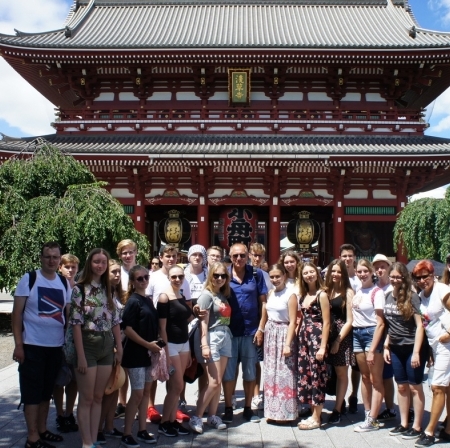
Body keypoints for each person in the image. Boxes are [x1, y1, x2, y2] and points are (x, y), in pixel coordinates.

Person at [13, 242, 70, 448]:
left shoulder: (63, 283)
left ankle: (43, 430)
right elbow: (16, 314)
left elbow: (67, 314)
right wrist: (19, 345)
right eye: (48, 256)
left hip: (55, 346)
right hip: (32, 345)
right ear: (41, 257)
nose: (52, 260)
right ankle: (32, 437)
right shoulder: (29, 279)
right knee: (32, 392)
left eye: (55, 257)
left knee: (47, 391)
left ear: (59, 259)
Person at [70, 248, 122, 448]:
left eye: (103, 262)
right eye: (96, 261)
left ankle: (93, 439)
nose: (100, 265)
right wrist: (81, 356)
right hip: (87, 343)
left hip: (107, 344)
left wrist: (119, 346)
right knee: (87, 397)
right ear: (89, 263)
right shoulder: (79, 289)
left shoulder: (108, 289)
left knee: (99, 396)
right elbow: (75, 324)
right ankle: (86, 442)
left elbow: (115, 320)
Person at [145, 244, 191, 424]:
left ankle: (172, 416)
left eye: (174, 256)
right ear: (161, 257)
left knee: (176, 382)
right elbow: (149, 304)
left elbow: (185, 309)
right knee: (157, 376)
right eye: (167, 256)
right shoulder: (154, 278)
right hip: (163, 335)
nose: (171, 258)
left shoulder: (182, 284)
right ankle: (153, 408)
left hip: (181, 337)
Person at [222, 243, 268, 424]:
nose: (239, 259)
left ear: (248, 255)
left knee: (250, 372)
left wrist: (261, 328)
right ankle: (228, 407)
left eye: (242, 255)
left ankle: (248, 408)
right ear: (230, 256)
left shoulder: (255, 274)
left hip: (251, 331)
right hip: (229, 332)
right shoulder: (223, 274)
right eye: (235, 256)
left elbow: (263, 302)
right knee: (229, 373)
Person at [383, 262, 426, 440]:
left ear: (404, 278)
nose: (394, 280)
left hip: (412, 347)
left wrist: (416, 352)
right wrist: (386, 345)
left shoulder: (412, 297)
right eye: (392, 276)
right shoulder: (387, 296)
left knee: (415, 387)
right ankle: (403, 423)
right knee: (401, 386)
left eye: (398, 277)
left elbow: (420, 326)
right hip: (395, 347)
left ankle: (416, 427)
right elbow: (389, 325)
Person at [189, 262, 233, 433]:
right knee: (213, 382)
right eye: (216, 275)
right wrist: (204, 344)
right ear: (211, 276)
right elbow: (203, 323)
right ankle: (197, 416)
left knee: (218, 382)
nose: (220, 279)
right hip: (211, 338)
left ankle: (212, 416)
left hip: (225, 336)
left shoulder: (222, 294)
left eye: (223, 276)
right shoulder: (206, 295)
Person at [120, 265, 161, 447]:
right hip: (135, 353)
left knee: (145, 393)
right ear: (132, 282)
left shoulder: (148, 300)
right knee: (136, 393)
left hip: (148, 353)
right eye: (140, 278)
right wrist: (148, 345)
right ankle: (127, 432)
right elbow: (127, 329)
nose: (144, 281)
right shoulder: (133, 301)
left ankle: (142, 429)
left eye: (146, 277)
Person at [413, 261, 450, 447]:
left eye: (425, 276)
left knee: (437, 387)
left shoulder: (441, 290)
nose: (422, 280)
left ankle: (429, 431)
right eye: (418, 277)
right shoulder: (421, 296)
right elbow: (427, 325)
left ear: (433, 275)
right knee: (447, 386)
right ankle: (449, 429)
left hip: (447, 344)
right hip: (436, 346)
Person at [157, 265, 193, 437]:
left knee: (177, 386)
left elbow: (186, 319)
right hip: (170, 344)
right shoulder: (164, 297)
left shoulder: (181, 295)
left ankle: (172, 421)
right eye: (174, 277)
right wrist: (164, 351)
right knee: (176, 385)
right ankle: (164, 422)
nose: (178, 279)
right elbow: (162, 327)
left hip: (184, 343)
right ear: (169, 278)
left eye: (180, 276)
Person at [352, 259, 385, 433]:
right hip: (356, 334)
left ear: (371, 272)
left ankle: (373, 418)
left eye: (365, 271)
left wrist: (373, 349)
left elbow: (380, 323)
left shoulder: (377, 292)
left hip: (371, 333)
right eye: (359, 271)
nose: (362, 274)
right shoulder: (358, 290)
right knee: (364, 377)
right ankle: (367, 413)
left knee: (375, 379)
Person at [297, 261, 330, 430]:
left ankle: (317, 417)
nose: (309, 275)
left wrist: (323, 346)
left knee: (317, 375)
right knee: (307, 375)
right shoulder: (303, 295)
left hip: (316, 338)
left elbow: (326, 322)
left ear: (317, 274)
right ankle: (312, 413)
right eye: (305, 273)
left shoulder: (321, 295)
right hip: (304, 338)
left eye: (311, 272)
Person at [263, 264, 298, 423]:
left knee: (285, 373)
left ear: (284, 275)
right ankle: (272, 411)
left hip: (284, 333)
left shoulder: (290, 295)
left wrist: (287, 344)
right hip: (271, 335)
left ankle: (286, 412)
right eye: (272, 277)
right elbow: (266, 314)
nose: (275, 279)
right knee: (271, 373)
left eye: (278, 276)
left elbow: (292, 321)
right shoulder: (270, 293)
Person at [97, 260, 126, 443]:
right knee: (103, 390)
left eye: (118, 272)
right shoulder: (101, 293)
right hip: (107, 344)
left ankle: (109, 425)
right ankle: (97, 428)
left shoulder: (117, 292)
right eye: (113, 272)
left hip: (120, 343)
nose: (117, 275)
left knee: (115, 386)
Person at [324, 259, 354, 424]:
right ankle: (337, 402)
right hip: (327, 333)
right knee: (329, 371)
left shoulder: (348, 292)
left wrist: (337, 340)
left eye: (338, 272)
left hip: (342, 335)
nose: (335, 274)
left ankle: (338, 408)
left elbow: (350, 320)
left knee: (341, 372)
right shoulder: (326, 290)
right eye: (333, 271)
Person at [54, 253, 80, 434]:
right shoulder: (55, 286)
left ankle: (70, 412)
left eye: (73, 267)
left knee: (74, 380)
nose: (70, 270)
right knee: (59, 380)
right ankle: (60, 414)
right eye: (67, 267)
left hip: (75, 339)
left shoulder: (79, 288)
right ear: (60, 267)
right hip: (58, 338)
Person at [372, 254, 397, 423]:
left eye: (383, 267)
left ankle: (392, 408)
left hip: (391, 334)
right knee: (377, 376)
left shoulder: (393, 288)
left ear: (389, 268)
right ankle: (385, 408)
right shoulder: (373, 287)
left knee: (390, 376)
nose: (380, 270)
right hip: (375, 334)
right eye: (377, 267)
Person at [115, 239, 137, 418]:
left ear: (136, 252)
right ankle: (122, 402)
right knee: (122, 365)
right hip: (120, 325)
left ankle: (137, 401)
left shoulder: (143, 272)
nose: (128, 255)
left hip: (139, 324)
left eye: (130, 252)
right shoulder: (116, 273)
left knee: (138, 366)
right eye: (124, 253)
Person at [248, 243, 271, 411]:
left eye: (260, 256)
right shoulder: (238, 271)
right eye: (254, 255)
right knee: (234, 362)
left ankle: (257, 395)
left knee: (256, 360)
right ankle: (231, 396)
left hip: (257, 322)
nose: (257, 258)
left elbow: (266, 301)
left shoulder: (265, 275)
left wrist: (262, 327)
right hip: (241, 322)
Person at [339, 243, 361, 414]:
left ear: (354, 257)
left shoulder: (361, 277)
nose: (347, 259)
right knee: (341, 364)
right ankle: (341, 397)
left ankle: (354, 395)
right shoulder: (336, 276)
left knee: (356, 366)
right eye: (344, 256)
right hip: (342, 324)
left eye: (350, 256)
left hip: (359, 326)